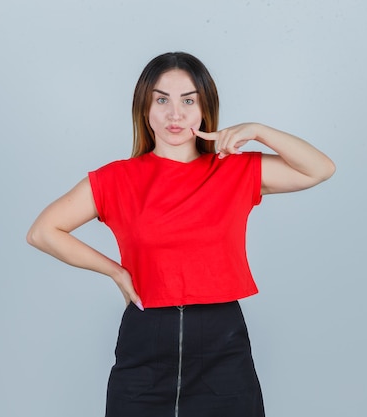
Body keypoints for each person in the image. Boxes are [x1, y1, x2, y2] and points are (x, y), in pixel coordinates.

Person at [26, 52, 335, 417]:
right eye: (162, 100)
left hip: (223, 343)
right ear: (145, 108)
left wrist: (257, 130)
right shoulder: (115, 179)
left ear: (205, 108)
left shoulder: (234, 170)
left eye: (188, 100)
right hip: (146, 340)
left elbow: (320, 169)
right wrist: (115, 271)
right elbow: (43, 231)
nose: (175, 114)